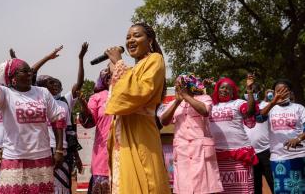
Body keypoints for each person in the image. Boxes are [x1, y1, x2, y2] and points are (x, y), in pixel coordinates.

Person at [0, 41, 66, 194]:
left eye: (29, 70)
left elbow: (58, 119)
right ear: (13, 77)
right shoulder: (6, 95)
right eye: (24, 71)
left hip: (41, 157)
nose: (30, 73)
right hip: (14, 159)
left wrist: (59, 150)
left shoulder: (43, 92)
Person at [104, 23, 171, 194]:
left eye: (136, 36)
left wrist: (119, 63)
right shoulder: (134, 68)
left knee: (147, 181)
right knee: (126, 181)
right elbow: (117, 99)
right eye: (128, 38)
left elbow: (138, 93)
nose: (131, 40)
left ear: (150, 40)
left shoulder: (155, 59)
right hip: (124, 130)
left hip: (140, 131)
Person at [159, 74, 223, 194]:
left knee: (204, 188)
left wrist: (186, 96)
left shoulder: (204, 98)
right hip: (182, 152)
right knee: (185, 189)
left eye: (181, 85)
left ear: (190, 85)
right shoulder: (174, 103)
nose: (178, 87)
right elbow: (164, 121)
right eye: (177, 85)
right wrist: (178, 101)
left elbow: (204, 111)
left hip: (201, 151)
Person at [209, 75, 258, 194]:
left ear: (232, 93)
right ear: (217, 89)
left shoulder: (238, 102)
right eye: (222, 87)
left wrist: (249, 91)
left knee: (243, 189)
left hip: (239, 153)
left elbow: (250, 111)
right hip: (218, 153)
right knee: (222, 190)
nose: (224, 90)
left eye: (228, 88)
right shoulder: (209, 105)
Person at [259, 79, 305, 194]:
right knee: (281, 190)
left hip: (298, 155)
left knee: (299, 189)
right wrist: (273, 102)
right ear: (273, 93)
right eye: (277, 91)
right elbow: (258, 118)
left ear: (289, 92)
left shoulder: (299, 108)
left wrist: (298, 138)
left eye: (284, 90)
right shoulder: (270, 108)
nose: (281, 93)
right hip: (278, 158)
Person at [78, 65, 113, 194]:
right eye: (109, 76)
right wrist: (84, 107)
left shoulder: (128, 96)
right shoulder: (97, 97)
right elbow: (88, 123)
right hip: (103, 154)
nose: (113, 77)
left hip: (126, 153)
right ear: (105, 79)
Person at [244, 85, 274, 194]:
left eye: (254, 91)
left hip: (267, 151)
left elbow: (262, 117)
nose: (251, 93)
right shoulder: (242, 108)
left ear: (259, 92)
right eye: (248, 91)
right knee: (255, 186)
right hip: (250, 153)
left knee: (273, 182)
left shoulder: (266, 105)